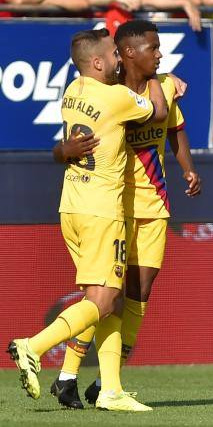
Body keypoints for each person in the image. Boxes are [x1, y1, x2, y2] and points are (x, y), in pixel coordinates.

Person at [6, 27, 168, 412]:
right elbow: (157, 110)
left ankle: (110, 390)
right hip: (102, 211)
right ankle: (34, 345)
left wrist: (62, 150)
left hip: (71, 206)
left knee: (103, 300)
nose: (117, 60)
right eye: (114, 54)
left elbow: (65, 145)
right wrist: (156, 80)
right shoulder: (115, 98)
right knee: (106, 299)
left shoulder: (73, 92)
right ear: (98, 62)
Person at [50, 20, 201, 409]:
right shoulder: (110, 92)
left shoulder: (164, 84)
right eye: (153, 48)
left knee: (138, 293)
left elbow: (173, 129)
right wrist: (63, 151)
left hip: (154, 204)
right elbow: (154, 112)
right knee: (106, 297)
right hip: (115, 204)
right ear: (127, 54)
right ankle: (68, 374)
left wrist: (187, 167)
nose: (160, 53)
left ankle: (104, 381)